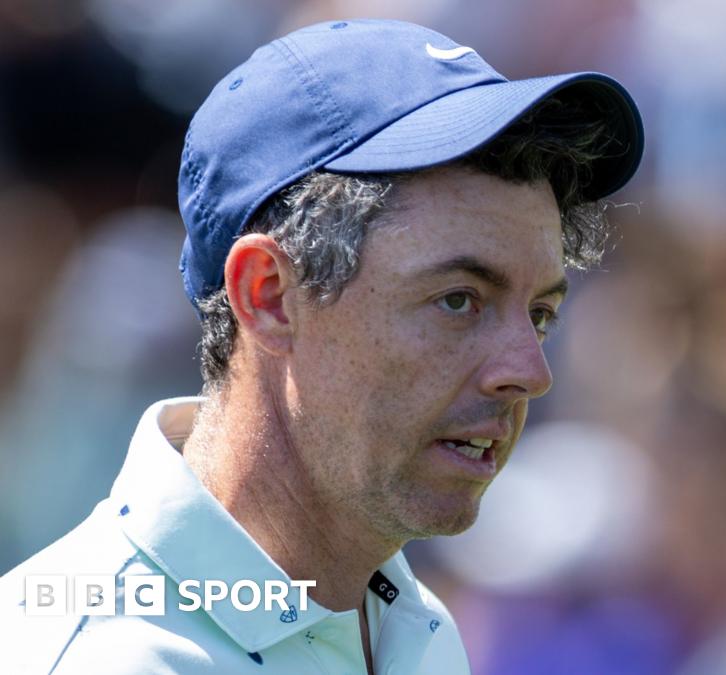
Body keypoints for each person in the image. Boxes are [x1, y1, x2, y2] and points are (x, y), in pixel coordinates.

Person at [0, 18, 643, 674]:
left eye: (539, 313)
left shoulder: (413, 626)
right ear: (269, 296)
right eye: (458, 299)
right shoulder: (107, 657)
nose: (529, 371)